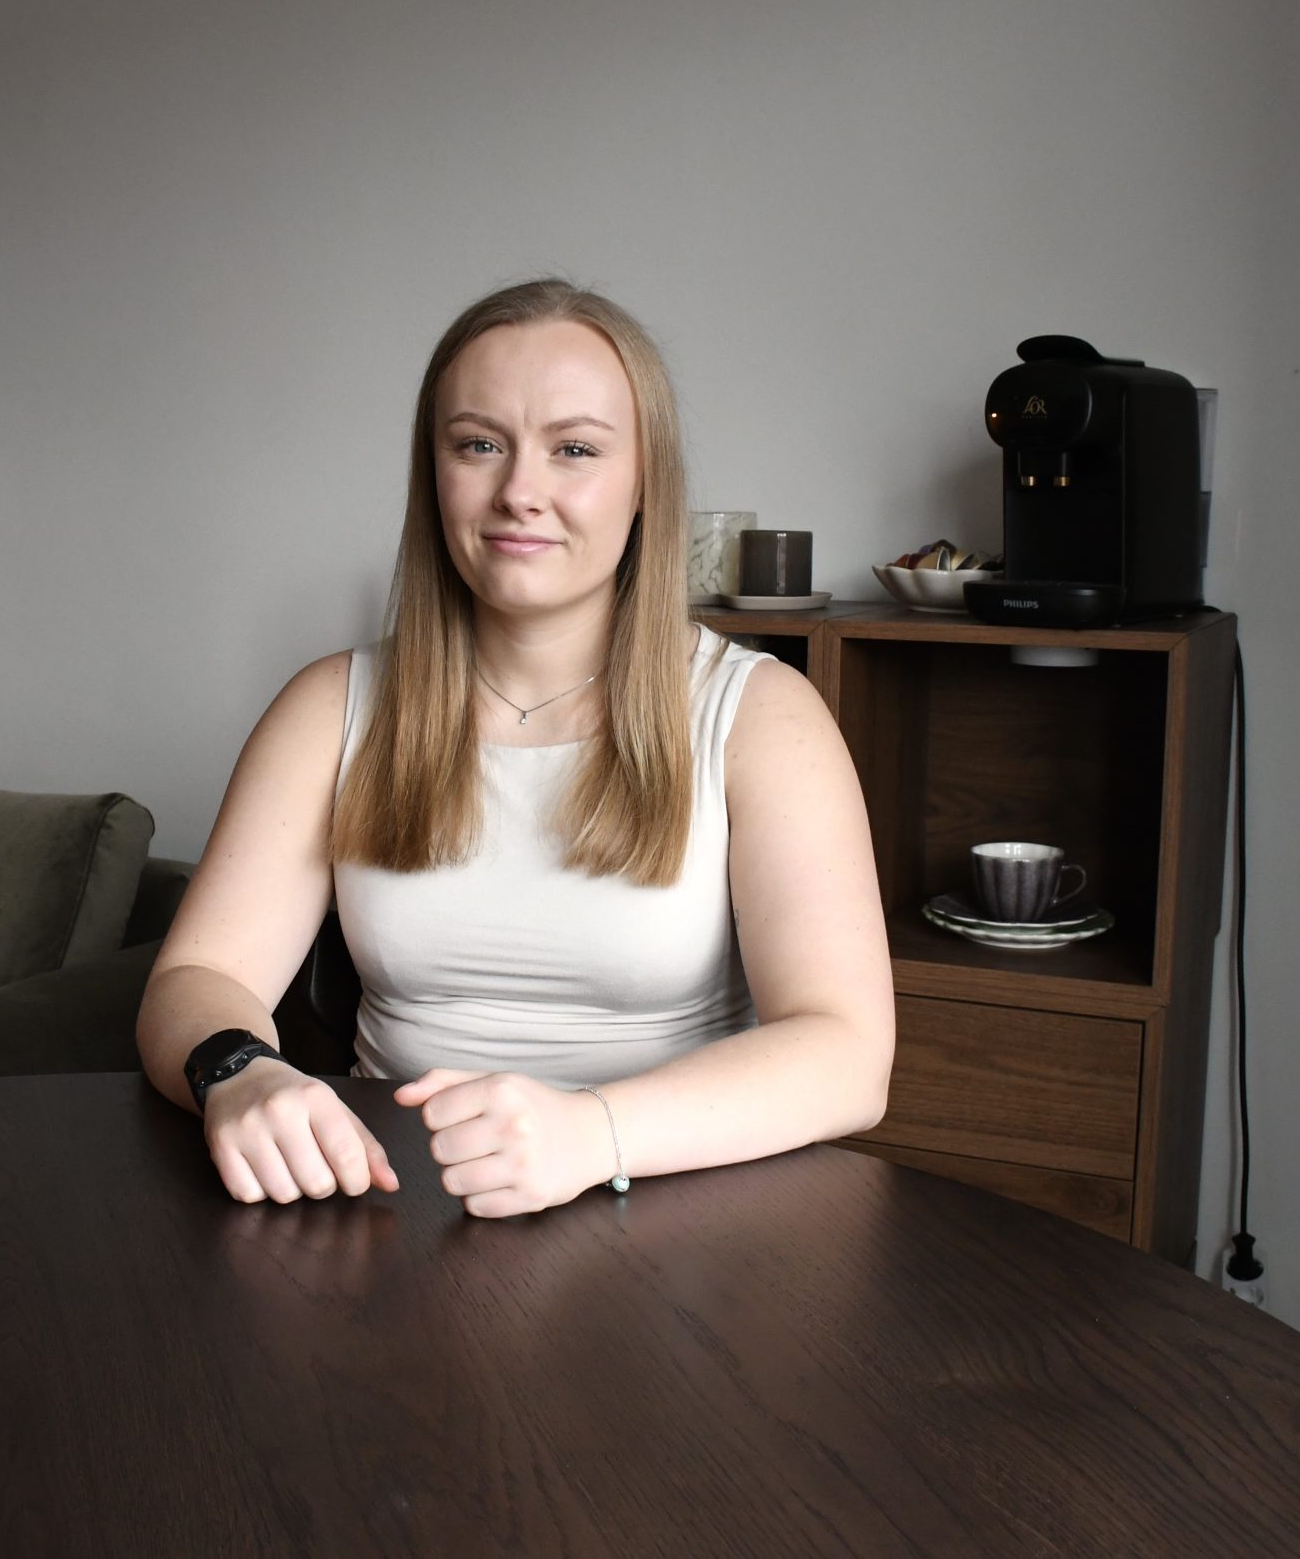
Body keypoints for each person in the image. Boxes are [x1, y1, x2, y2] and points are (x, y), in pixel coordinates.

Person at [136, 278, 893, 1218]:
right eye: (478, 444)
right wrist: (239, 1070)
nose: (519, 493)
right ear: (434, 474)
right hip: (398, 1205)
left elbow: (847, 1054)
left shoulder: (763, 716)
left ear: (645, 482)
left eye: (574, 449)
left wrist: (590, 1133)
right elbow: (198, 979)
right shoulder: (330, 707)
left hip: (676, 1211)